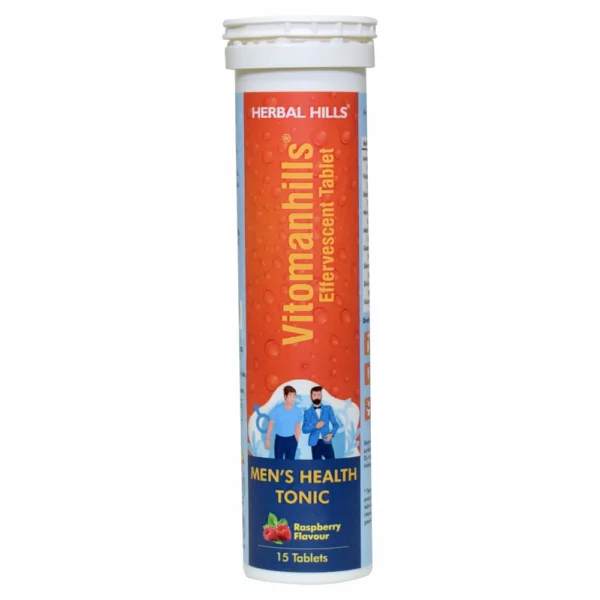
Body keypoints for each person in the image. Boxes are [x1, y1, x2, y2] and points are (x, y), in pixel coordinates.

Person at [265, 385, 302, 460]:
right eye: (290, 395)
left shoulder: (297, 411)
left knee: (290, 463)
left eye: (294, 395)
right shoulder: (277, 409)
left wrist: (296, 441)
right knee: (278, 463)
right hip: (280, 440)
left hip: (292, 440)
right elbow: (271, 424)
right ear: (285, 396)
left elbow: (297, 427)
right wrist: (267, 439)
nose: (292, 398)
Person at [302, 386, 339, 460]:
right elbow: (304, 429)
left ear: (321, 396)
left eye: (319, 394)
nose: (317, 397)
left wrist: (331, 434)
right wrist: (315, 426)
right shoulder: (308, 412)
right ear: (311, 396)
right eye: (314, 395)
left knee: (332, 464)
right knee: (317, 465)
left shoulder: (328, 409)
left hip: (327, 441)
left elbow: (335, 424)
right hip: (315, 444)